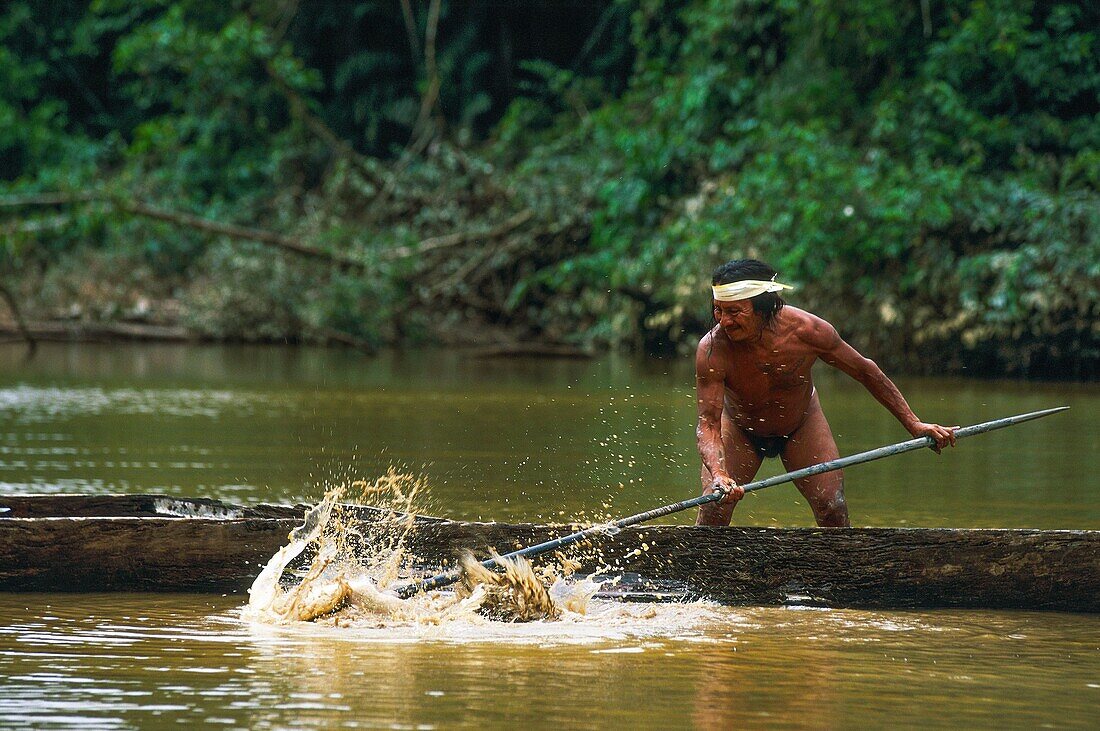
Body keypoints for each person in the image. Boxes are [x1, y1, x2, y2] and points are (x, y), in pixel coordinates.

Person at [695, 259, 958, 527]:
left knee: (832, 506)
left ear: (763, 307)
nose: (724, 321)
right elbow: (708, 423)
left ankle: (842, 567)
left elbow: (865, 372)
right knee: (715, 507)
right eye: (718, 311)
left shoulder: (808, 331)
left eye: (735, 312)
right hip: (741, 428)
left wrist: (914, 424)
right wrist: (719, 473)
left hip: (799, 424)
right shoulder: (713, 350)